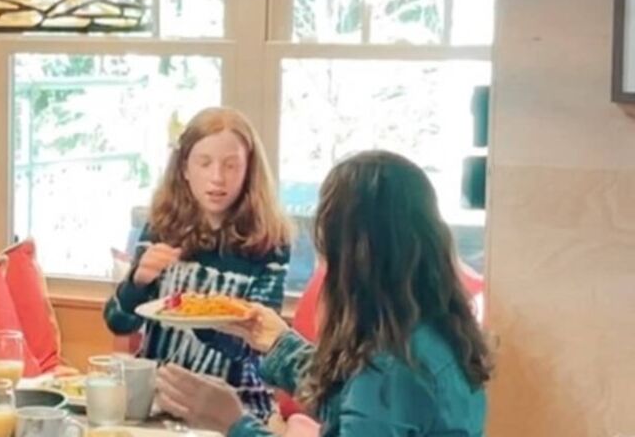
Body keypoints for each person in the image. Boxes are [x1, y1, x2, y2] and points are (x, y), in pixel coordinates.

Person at [154, 150, 492, 437]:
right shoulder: (435, 334)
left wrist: (233, 422)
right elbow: (354, 401)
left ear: (352, 259)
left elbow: (371, 395)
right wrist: (279, 343)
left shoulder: (390, 369)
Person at [104, 107, 293, 425]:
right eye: (204, 163)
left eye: (231, 165)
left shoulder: (268, 244)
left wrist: (199, 315)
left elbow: (255, 346)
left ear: (249, 171)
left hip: (236, 408)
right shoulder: (160, 229)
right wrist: (137, 282)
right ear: (185, 169)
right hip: (157, 399)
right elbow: (118, 323)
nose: (217, 177)